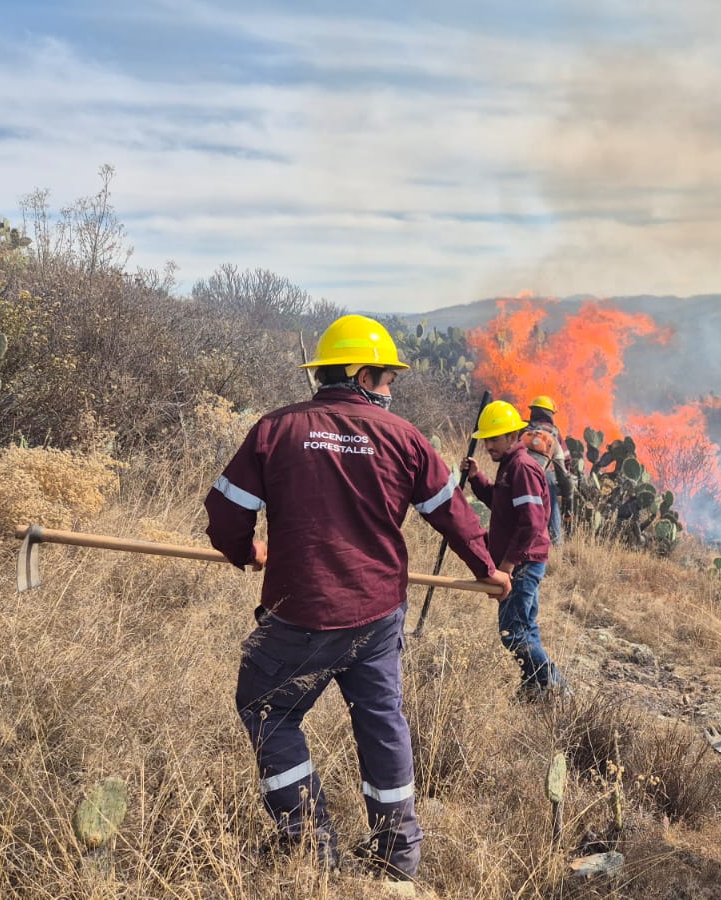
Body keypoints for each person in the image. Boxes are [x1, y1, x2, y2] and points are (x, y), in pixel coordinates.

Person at [206, 314, 511, 882]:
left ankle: (310, 844)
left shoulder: (276, 429)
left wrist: (245, 551)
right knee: (380, 721)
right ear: (362, 374)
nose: (391, 390)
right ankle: (398, 859)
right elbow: (452, 513)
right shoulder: (405, 438)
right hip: (377, 614)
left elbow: (225, 513)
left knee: (268, 709)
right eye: (387, 378)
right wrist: (488, 569)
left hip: (300, 611)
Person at [461, 400, 566, 695]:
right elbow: (500, 505)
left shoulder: (521, 468)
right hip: (522, 561)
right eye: (485, 440)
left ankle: (555, 686)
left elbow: (532, 523)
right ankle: (535, 688)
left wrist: (507, 565)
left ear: (511, 436)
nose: (488, 446)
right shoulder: (510, 466)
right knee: (525, 627)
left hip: (523, 563)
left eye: (493, 439)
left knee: (513, 632)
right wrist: (476, 479)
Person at [523, 395, 570, 546]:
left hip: (522, 472)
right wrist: (567, 479)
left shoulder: (524, 428)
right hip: (546, 474)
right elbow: (565, 458)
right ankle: (556, 540)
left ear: (534, 411)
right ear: (550, 414)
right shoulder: (554, 432)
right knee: (552, 503)